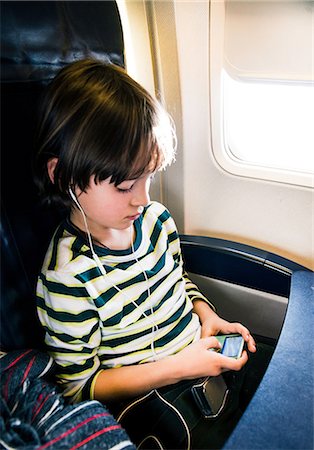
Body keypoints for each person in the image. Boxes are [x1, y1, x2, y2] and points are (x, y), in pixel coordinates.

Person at [34, 58, 271, 449]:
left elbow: (176, 281)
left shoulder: (155, 222)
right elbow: (80, 387)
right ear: (63, 177)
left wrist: (208, 318)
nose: (144, 199)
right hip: (151, 395)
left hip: (200, 352)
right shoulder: (68, 279)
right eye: (127, 185)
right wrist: (179, 367)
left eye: (149, 178)